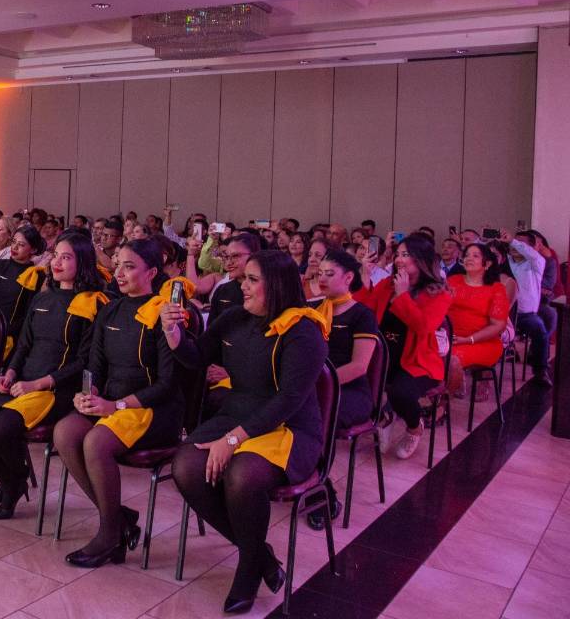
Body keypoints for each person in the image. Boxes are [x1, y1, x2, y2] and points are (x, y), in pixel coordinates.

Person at [167, 250, 328, 614]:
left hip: (289, 428)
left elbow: (289, 400)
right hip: (237, 413)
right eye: (244, 279)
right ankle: (260, 556)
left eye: (253, 280)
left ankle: (247, 569)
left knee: (241, 475)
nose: (243, 286)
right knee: (186, 466)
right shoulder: (233, 319)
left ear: (278, 285)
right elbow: (196, 359)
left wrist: (233, 439)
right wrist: (174, 333)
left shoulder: (303, 331)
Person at [52, 238, 194, 568]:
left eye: (129, 266)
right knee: (64, 432)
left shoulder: (163, 313)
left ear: (152, 272)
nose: (119, 272)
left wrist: (114, 407)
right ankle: (118, 517)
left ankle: (108, 534)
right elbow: (95, 365)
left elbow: (167, 383)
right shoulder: (111, 308)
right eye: (117, 265)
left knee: (95, 442)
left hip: (153, 410)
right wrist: (87, 394)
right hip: (112, 403)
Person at [0, 231, 108, 519]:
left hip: (57, 388)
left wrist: (37, 384)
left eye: (67, 257)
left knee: (1, 428)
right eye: (56, 256)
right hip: (23, 382)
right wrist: (10, 372)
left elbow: (85, 362)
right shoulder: (43, 297)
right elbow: (25, 343)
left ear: (84, 263)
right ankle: (13, 479)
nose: (57, 263)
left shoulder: (92, 302)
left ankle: (12, 482)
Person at [354, 234, 452, 459]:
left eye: (405, 255)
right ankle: (384, 417)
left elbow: (423, 327)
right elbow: (364, 311)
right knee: (353, 382)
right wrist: (365, 277)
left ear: (421, 259)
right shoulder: (388, 284)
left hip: (417, 361)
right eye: (397, 254)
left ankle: (414, 427)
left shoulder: (439, 292)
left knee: (401, 392)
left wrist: (403, 295)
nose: (398, 259)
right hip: (383, 356)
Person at [306, 249, 378, 529]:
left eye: (330, 274)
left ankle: (321, 490)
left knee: (313, 417)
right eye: (319, 273)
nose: (322, 279)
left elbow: (360, 366)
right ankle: (307, 480)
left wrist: (316, 384)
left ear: (349, 277)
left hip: (350, 391)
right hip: (314, 387)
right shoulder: (312, 311)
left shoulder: (361, 314)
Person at [446, 242, 508, 400]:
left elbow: (498, 326)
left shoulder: (496, 288)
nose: (469, 259)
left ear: (487, 263)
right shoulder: (453, 281)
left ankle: (441, 406)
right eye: (466, 255)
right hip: (451, 338)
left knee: (451, 359)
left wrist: (468, 339)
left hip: (482, 342)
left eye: (475, 256)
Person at [0, 224, 47, 360]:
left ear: (33, 249)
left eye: (21, 245)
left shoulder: (35, 275)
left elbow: (31, 314)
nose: (14, 247)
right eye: (14, 242)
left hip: (15, 337)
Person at [506, 230, 551, 385]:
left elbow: (533, 255)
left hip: (524, 315)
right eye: (513, 242)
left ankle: (540, 371)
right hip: (502, 314)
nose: (514, 245)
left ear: (531, 248)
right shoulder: (505, 261)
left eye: (521, 243)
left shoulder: (536, 263)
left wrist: (513, 240)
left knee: (540, 329)